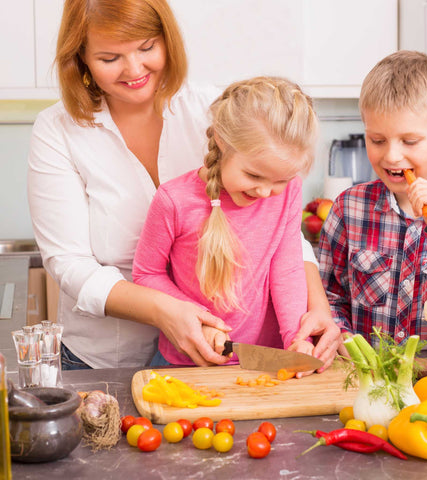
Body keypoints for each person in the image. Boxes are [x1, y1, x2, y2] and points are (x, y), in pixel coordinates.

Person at [27, 0, 341, 370]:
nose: (134, 69)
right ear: (79, 58)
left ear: (167, 40)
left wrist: (316, 310)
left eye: (146, 47)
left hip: (220, 360)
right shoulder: (57, 132)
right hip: (104, 359)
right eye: (110, 58)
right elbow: (70, 264)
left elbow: (279, 236)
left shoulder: (214, 110)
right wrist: (168, 311)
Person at [133, 76, 323, 371]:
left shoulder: (289, 193)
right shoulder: (173, 200)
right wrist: (199, 320)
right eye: (254, 176)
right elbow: (147, 273)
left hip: (263, 363)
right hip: (185, 364)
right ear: (222, 140)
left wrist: (295, 340)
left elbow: (286, 268)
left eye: (280, 180)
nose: (264, 191)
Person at [317, 50, 427, 349]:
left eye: (409, 141)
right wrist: (345, 340)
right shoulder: (349, 209)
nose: (391, 156)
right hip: (366, 383)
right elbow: (328, 296)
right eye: (377, 140)